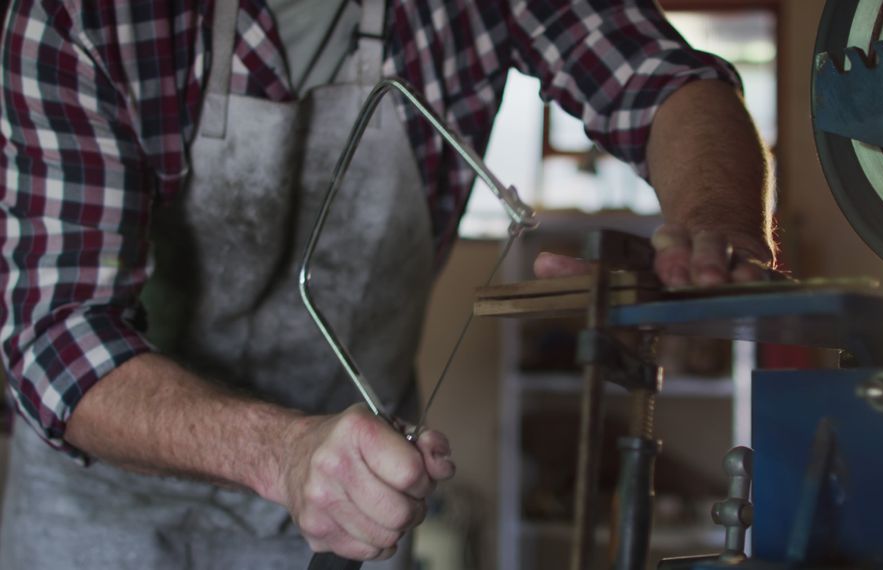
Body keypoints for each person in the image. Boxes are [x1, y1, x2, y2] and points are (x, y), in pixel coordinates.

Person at [0, 0, 774, 567]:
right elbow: (58, 336)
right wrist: (284, 454)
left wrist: (715, 221)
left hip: (356, 496)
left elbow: (666, 79)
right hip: (102, 514)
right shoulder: (81, 16)